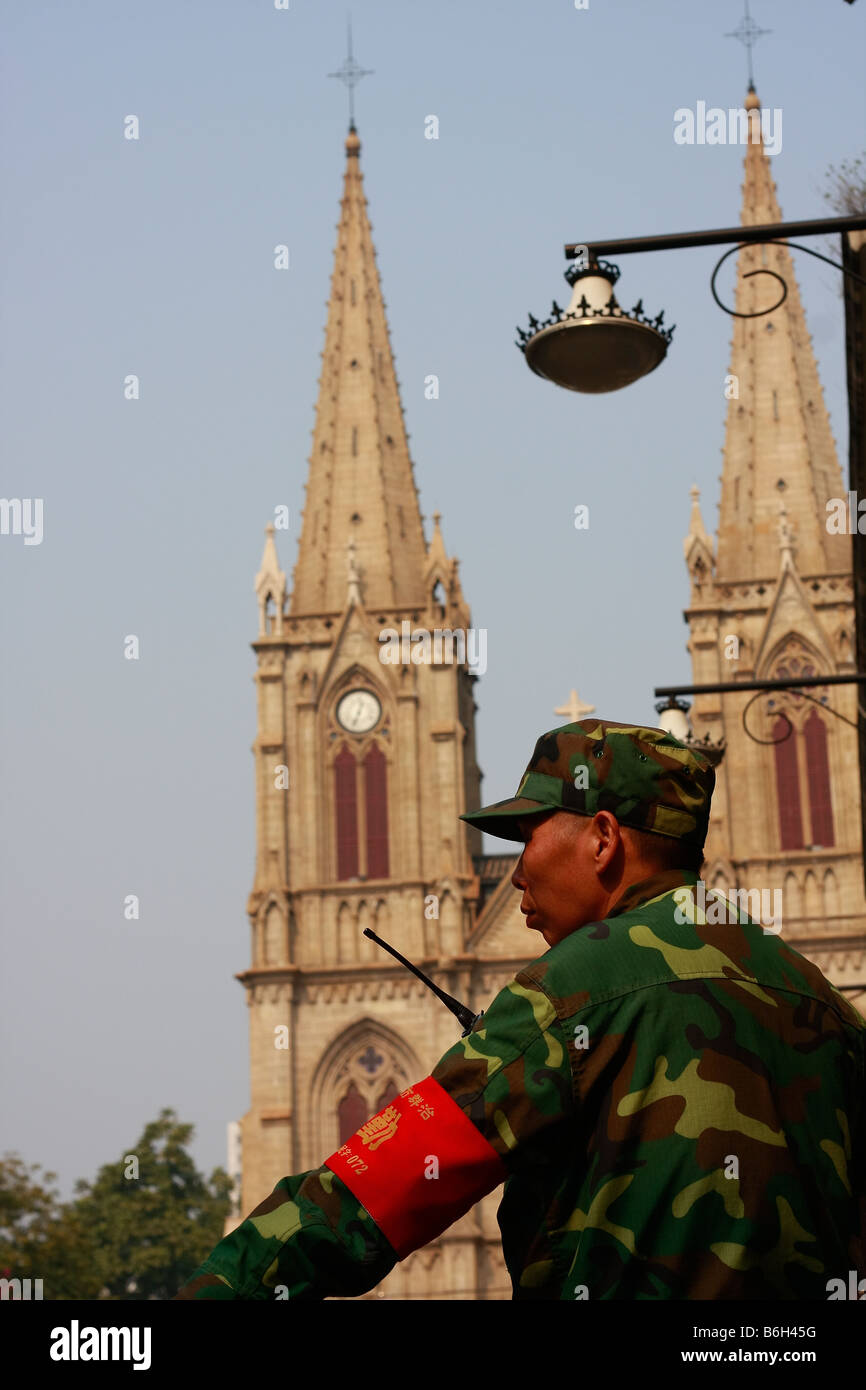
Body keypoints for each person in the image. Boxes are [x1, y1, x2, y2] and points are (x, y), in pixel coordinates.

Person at [174, 719, 865, 1300]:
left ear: (602, 838)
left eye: (527, 835)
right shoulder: (821, 999)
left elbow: (372, 1192)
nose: (516, 870)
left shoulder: (574, 988)